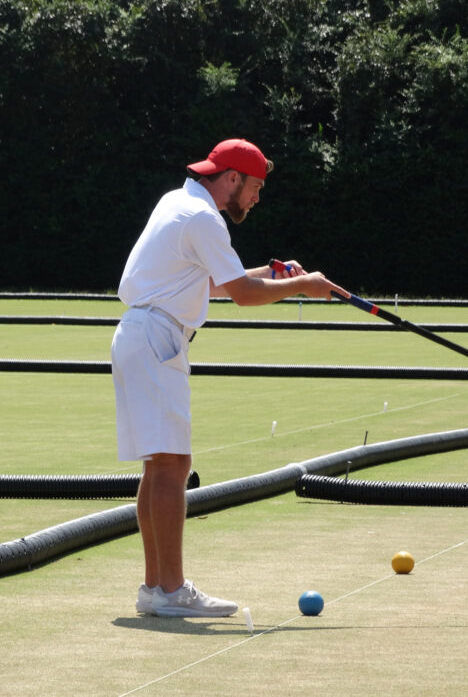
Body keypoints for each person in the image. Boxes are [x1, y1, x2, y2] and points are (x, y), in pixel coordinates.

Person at [111, 138, 341, 617]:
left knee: (161, 465)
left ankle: (156, 588)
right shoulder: (203, 218)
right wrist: (303, 285)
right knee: (172, 464)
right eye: (255, 187)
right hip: (156, 336)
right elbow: (240, 294)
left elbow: (211, 280)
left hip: (144, 333)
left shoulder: (179, 201)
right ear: (232, 178)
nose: (257, 199)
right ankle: (171, 591)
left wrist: (273, 273)